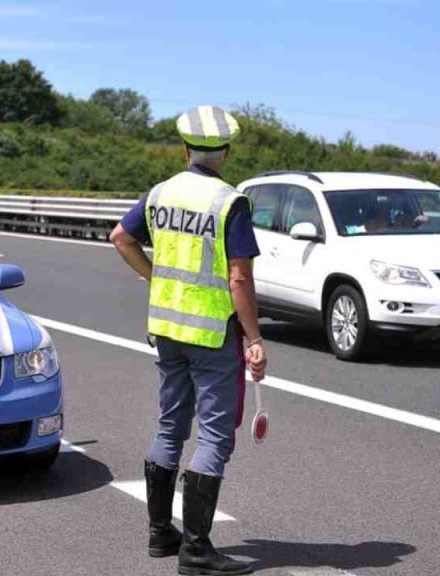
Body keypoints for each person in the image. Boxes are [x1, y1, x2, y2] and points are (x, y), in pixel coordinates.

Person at [110, 105, 268, 576]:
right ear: (226, 152)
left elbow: (120, 237)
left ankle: (162, 534)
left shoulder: (161, 193)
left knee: (170, 427)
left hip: (166, 330)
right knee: (215, 437)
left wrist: (155, 279)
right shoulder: (229, 202)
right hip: (212, 333)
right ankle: (197, 550)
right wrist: (255, 337)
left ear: (185, 149)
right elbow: (239, 279)